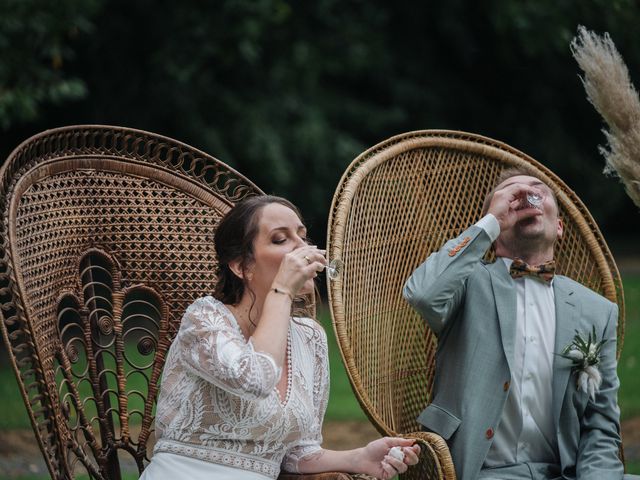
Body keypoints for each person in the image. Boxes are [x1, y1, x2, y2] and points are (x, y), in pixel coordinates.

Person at [141, 195, 420, 480]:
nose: (305, 250)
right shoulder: (204, 320)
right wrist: (282, 291)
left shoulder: (310, 337)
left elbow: (298, 451)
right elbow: (253, 379)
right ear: (241, 266)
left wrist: (358, 457)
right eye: (280, 240)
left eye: (303, 237)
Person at [403, 169, 636, 480]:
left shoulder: (597, 310)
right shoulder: (465, 284)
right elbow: (422, 293)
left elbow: (600, 424)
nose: (526, 193)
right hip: (479, 472)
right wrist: (490, 223)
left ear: (560, 227)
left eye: (538, 188)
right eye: (511, 192)